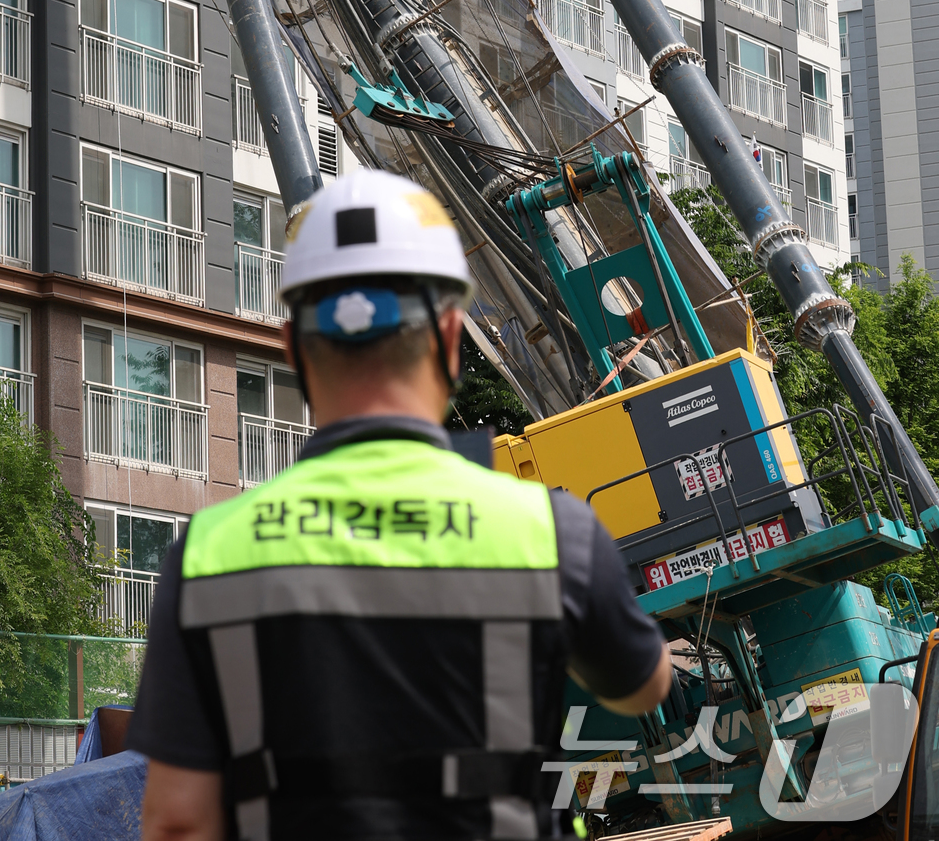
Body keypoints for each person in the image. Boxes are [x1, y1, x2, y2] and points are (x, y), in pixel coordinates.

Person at [127, 166, 673, 840]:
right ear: (448, 339)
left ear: (293, 349)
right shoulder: (547, 533)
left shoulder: (207, 556)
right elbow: (640, 686)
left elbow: (178, 820)